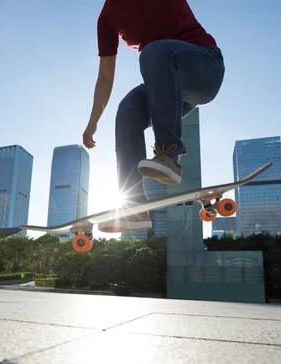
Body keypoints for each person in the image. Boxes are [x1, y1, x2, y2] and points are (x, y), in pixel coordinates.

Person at [82, 0, 225, 233]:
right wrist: (93, 121)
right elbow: (105, 77)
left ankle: (168, 154)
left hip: (204, 67)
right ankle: (134, 206)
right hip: (169, 89)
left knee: (154, 51)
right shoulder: (107, 18)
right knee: (128, 108)